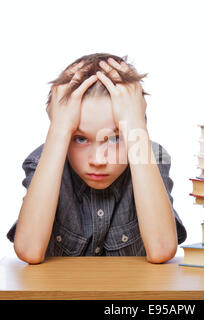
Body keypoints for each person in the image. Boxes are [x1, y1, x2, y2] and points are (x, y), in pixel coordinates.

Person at [7, 53, 187, 264]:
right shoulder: (43, 161)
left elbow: (161, 249)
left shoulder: (149, 157)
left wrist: (134, 124)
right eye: (80, 139)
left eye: (115, 138)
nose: (98, 160)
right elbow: (29, 250)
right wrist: (59, 129)